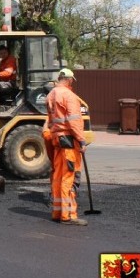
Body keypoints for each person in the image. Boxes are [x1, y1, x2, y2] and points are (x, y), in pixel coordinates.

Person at [46, 68, 88, 225]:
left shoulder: (51, 95)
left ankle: (57, 212)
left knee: (58, 176)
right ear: (70, 80)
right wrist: (81, 140)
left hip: (57, 140)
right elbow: (74, 120)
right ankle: (68, 215)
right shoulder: (69, 96)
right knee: (68, 177)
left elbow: (51, 120)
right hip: (69, 141)